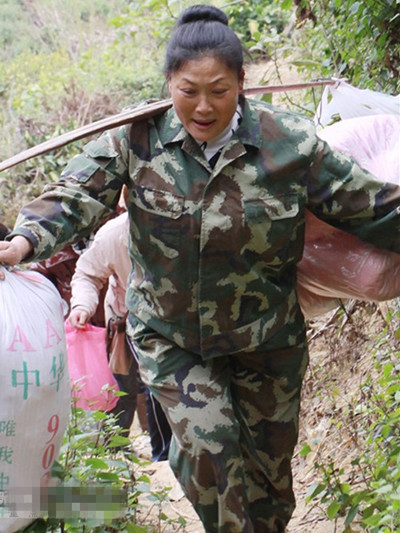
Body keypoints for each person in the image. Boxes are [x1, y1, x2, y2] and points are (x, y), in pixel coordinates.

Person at [1, 4, 400, 532]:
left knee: (269, 486)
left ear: (242, 82)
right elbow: (76, 194)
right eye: (189, 90)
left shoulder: (290, 146)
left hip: (267, 339)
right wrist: (24, 240)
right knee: (211, 455)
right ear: (169, 82)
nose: (204, 107)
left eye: (220, 89)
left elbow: (371, 207)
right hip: (173, 338)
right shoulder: (134, 140)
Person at [68, 210, 171, 459]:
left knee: (164, 385)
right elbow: (87, 274)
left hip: (180, 316)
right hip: (128, 318)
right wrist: (82, 305)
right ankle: (129, 455)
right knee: (127, 388)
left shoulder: (186, 223)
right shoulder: (112, 235)